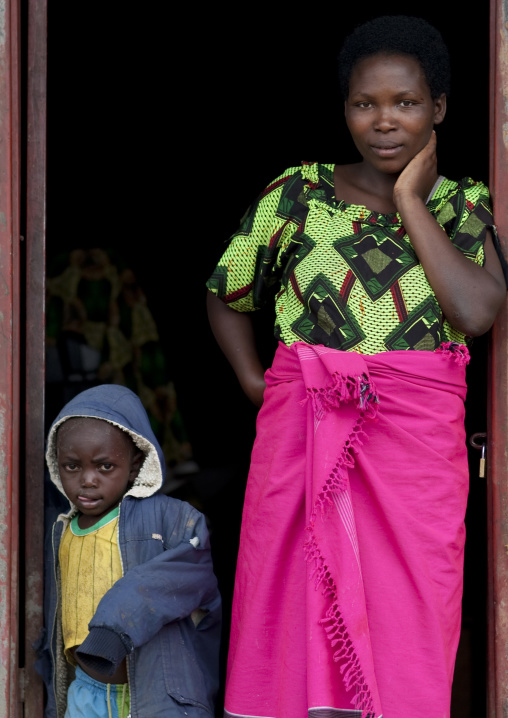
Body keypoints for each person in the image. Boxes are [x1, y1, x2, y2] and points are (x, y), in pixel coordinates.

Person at [205, 15, 507, 718]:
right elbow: (226, 293)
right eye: (364, 103)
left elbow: (478, 310)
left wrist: (410, 201)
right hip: (303, 436)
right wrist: (256, 382)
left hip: (415, 455)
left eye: (405, 103)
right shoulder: (295, 195)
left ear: (438, 109)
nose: (383, 121)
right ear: (344, 110)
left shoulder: (463, 204)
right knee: (291, 604)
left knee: (413, 608)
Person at [38, 383, 221, 718]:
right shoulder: (59, 530)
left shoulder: (169, 519)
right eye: (72, 466)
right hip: (85, 693)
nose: (87, 479)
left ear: (135, 465)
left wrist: (113, 628)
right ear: (55, 462)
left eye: (105, 466)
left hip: (150, 694)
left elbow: (191, 579)